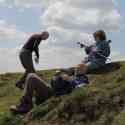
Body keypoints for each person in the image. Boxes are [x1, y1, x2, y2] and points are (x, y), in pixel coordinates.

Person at [10, 64, 89, 114]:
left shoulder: (83, 79)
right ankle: (27, 102)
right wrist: (59, 74)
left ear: (85, 71)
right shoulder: (73, 75)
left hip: (53, 94)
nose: (77, 69)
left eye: (80, 68)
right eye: (77, 68)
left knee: (31, 77)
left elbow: (81, 87)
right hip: (51, 90)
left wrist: (70, 80)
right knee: (31, 75)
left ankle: (26, 105)